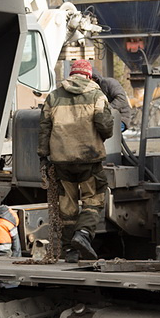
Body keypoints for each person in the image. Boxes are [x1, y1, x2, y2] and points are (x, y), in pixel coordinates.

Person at [38, 59, 114, 262]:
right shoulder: (97, 94)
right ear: (88, 75)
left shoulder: (53, 96)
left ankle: (70, 251)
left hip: (61, 160)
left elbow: (44, 128)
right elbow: (105, 127)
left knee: (67, 205)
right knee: (93, 199)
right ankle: (83, 235)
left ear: (71, 74)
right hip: (89, 159)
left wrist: (43, 156)